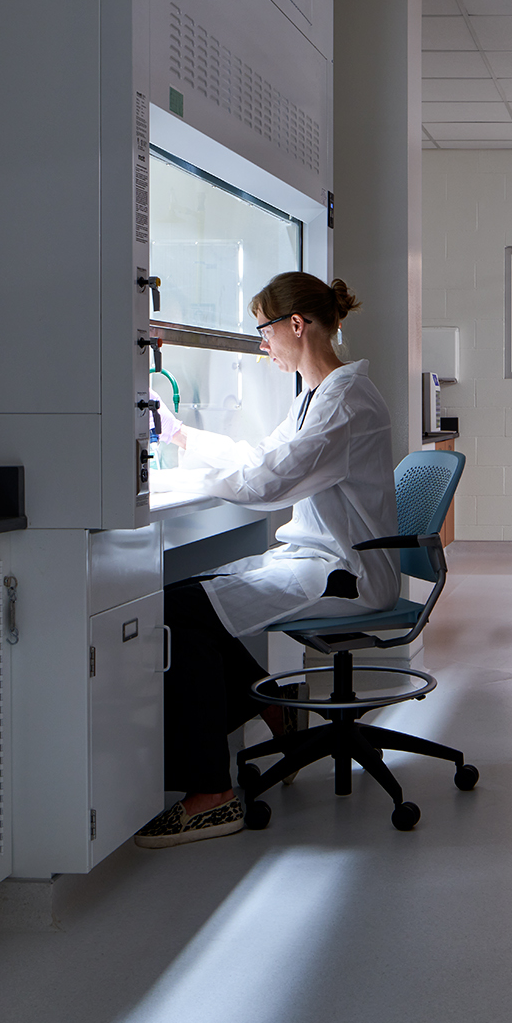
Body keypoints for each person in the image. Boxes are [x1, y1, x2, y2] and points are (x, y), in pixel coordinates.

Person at [134, 273, 399, 848]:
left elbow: (267, 481)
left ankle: (212, 796)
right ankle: (277, 713)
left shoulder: (344, 403)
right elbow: (261, 457)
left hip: (346, 572)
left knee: (182, 612)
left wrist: (185, 476)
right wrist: (182, 437)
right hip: (319, 556)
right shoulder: (318, 397)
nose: (262, 344)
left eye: (264, 330)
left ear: (295, 326)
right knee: (195, 594)